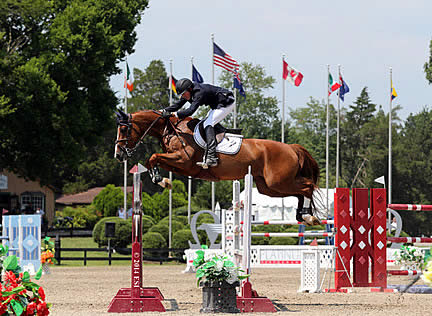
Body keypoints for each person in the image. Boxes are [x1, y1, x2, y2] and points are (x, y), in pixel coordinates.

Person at [162, 78, 235, 168]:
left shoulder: (199, 93)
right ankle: (221, 134)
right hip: (217, 104)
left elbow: (190, 111)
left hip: (227, 102)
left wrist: (173, 114)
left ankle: (211, 156)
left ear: (190, 89)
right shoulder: (189, 92)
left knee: (208, 123)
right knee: (207, 122)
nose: (183, 96)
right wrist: (162, 111)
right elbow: (178, 105)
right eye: (182, 95)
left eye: (184, 94)